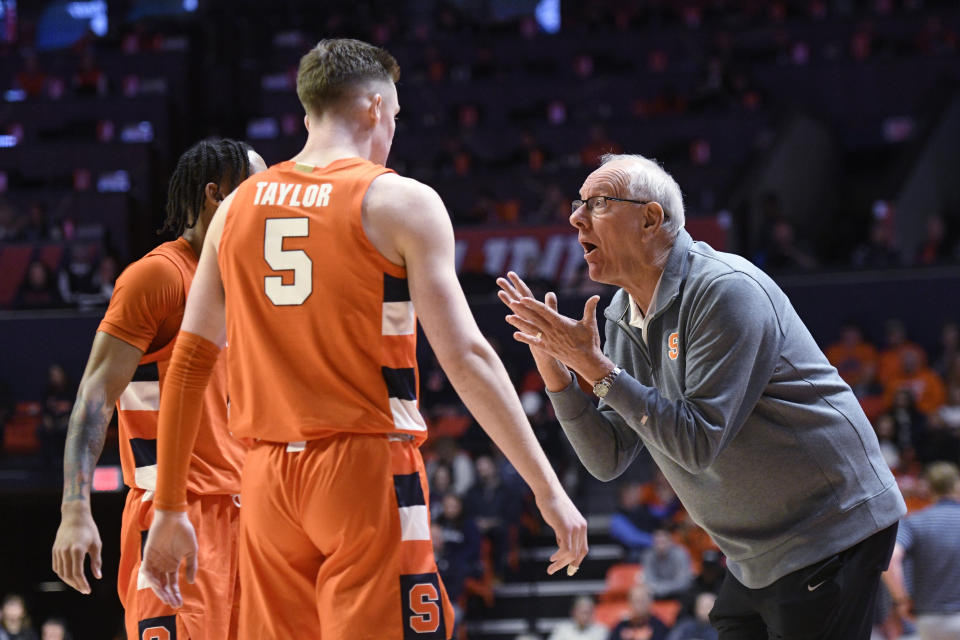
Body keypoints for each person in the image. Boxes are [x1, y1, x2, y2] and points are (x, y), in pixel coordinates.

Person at [141, 38, 587, 640]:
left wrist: (168, 506)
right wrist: (547, 487)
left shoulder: (235, 207)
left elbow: (189, 365)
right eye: (395, 117)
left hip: (267, 477)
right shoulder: (400, 201)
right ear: (376, 108)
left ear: (308, 114)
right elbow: (467, 356)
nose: (392, 131)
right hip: (363, 468)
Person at [498, 153, 906, 639]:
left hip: (829, 529)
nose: (575, 217)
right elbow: (607, 457)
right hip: (753, 554)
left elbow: (696, 442)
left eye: (598, 203)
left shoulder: (725, 291)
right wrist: (557, 372)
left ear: (650, 219)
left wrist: (592, 364)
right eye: (577, 204)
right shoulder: (622, 312)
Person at [51, 138, 266, 640]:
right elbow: (94, 396)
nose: (266, 204)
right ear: (214, 195)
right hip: (176, 514)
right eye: (255, 191)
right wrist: (75, 508)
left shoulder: (250, 284)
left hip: (253, 518)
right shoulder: (158, 276)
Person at [883, 462, 960, 639]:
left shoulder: (915, 522)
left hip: (931, 620)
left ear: (928, 488)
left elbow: (891, 558)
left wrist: (901, 600)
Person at [641, 529, 693, 600]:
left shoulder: (680, 554)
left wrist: (662, 589)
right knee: (642, 593)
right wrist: (662, 589)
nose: (660, 546)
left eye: (663, 542)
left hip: (678, 593)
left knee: (688, 593)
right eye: (657, 543)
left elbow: (683, 582)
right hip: (656, 594)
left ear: (670, 542)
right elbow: (648, 581)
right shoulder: (648, 556)